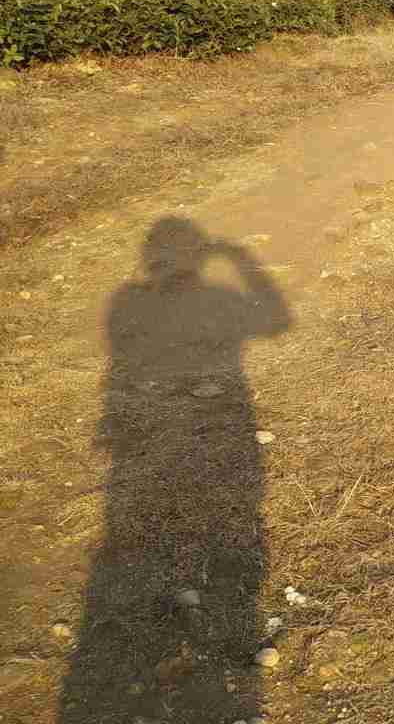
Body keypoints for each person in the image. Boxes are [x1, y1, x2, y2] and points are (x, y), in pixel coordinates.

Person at [60, 218, 290, 724]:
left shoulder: (127, 301)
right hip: (190, 435)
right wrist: (243, 261)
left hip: (144, 444)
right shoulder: (152, 301)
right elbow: (276, 320)